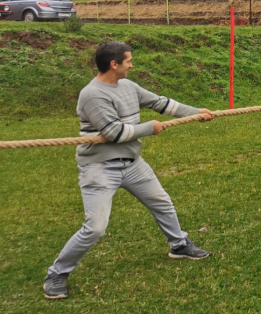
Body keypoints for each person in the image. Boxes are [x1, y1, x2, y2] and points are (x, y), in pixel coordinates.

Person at [43, 41, 215, 300]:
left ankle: (179, 245)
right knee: (95, 228)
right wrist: (150, 128)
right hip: (99, 168)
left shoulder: (128, 87)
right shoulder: (91, 94)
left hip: (132, 163)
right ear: (114, 64)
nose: (132, 64)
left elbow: (160, 103)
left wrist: (196, 112)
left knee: (162, 202)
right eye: (129, 60)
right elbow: (114, 133)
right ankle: (57, 273)